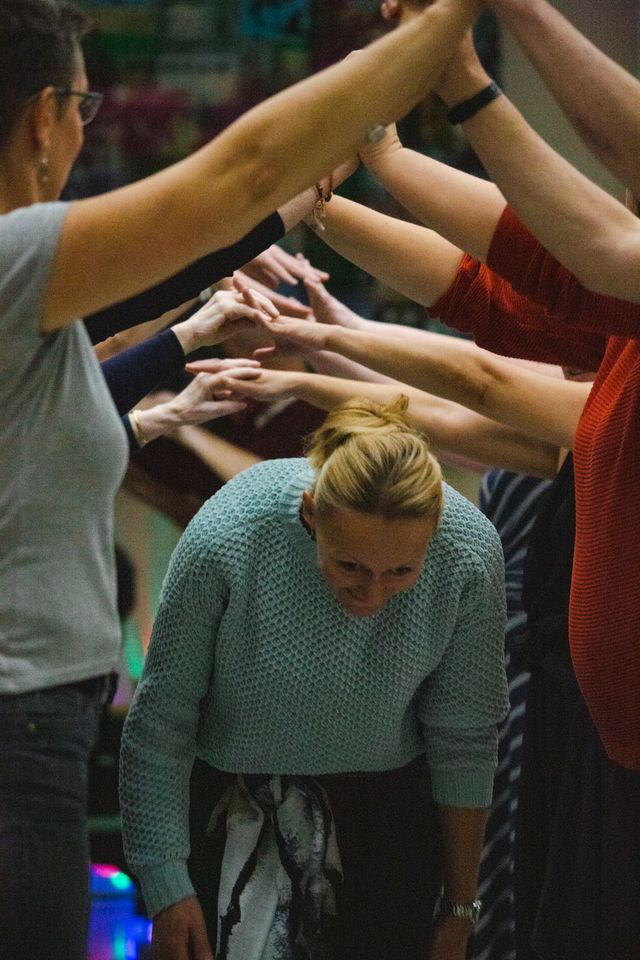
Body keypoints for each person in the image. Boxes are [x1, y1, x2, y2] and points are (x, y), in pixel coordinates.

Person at [0, 1, 485, 955]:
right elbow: (232, 184)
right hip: (20, 728)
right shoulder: (17, 257)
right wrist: (440, 37)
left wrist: (186, 342)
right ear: (44, 117)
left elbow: (52, 399)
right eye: (88, 107)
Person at [120, 396, 508, 960]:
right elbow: (161, 721)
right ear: (309, 514)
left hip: (387, 817)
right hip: (229, 804)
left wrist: (459, 907)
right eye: (350, 565)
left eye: (401, 570)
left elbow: (465, 738)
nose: (372, 594)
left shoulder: (468, 553)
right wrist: (165, 886)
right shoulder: (230, 532)